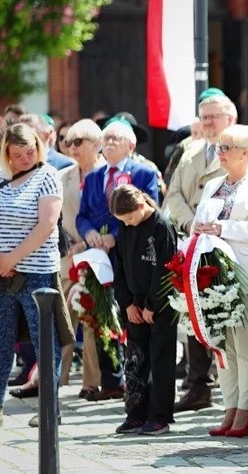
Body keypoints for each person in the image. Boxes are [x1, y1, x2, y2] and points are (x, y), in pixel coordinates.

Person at [197, 125, 248, 438]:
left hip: (247, 274)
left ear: (246, 153)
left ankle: (245, 411)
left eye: (227, 148)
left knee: (244, 346)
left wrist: (223, 229)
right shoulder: (213, 185)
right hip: (213, 272)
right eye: (219, 147)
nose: (220, 153)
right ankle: (229, 407)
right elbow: (198, 222)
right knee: (222, 345)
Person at [76, 119, 160, 401]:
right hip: (98, 256)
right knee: (101, 314)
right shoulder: (94, 177)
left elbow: (148, 208)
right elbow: (82, 214)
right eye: (106, 138)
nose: (109, 142)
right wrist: (89, 233)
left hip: (132, 256)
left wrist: (114, 233)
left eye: (116, 138)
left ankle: (140, 385)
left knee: (131, 315)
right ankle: (112, 382)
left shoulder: (144, 173)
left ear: (131, 145)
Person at [163, 93, 234, 412]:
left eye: (213, 117)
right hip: (190, 240)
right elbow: (173, 192)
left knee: (223, 315)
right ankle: (197, 386)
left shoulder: (239, 148)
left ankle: (234, 389)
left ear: (229, 119)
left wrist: (208, 224)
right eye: (203, 117)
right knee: (192, 314)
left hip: (223, 244)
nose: (207, 123)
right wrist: (190, 221)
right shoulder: (190, 151)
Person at [0, 124, 64, 426]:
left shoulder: (47, 176)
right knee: (2, 341)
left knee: (44, 343)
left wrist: (12, 257)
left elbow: (46, 225)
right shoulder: (1, 178)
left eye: (30, 152)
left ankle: (50, 409)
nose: (25, 158)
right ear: (7, 154)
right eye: (18, 154)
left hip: (37, 274)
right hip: (3, 273)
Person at [110, 185, 179, 435]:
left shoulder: (162, 227)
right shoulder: (125, 227)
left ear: (141, 206)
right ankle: (136, 412)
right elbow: (119, 266)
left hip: (159, 304)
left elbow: (166, 268)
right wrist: (127, 302)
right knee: (135, 358)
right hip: (134, 304)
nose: (127, 224)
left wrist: (152, 305)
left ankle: (159, 415)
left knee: (160, 357)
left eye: (129, 218)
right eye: (123, 221)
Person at [59, 120, 106, 399]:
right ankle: (54, 378)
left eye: (79, 142)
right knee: (61, 320)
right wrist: (69, 243)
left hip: (98, 258)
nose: (72, 147)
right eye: (69, 142)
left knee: (92, 320)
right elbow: (55, 218)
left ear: (96, 144)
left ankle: (91, 382)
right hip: (67, 258)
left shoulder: (107, 174)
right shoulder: (62, 175)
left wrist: (88, 242)